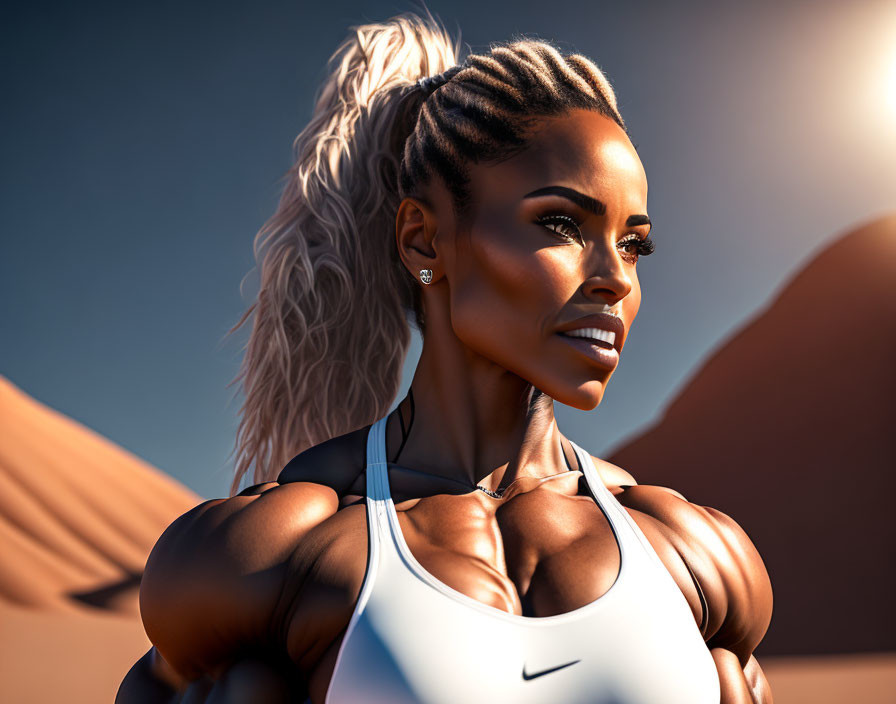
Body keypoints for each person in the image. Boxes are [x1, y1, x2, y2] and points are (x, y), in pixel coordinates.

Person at [118, 11, 773, 704]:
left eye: (633, 243)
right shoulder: (276, 558)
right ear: (424, 242)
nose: (615, 277)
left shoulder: (690, 554)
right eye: (561, 223)